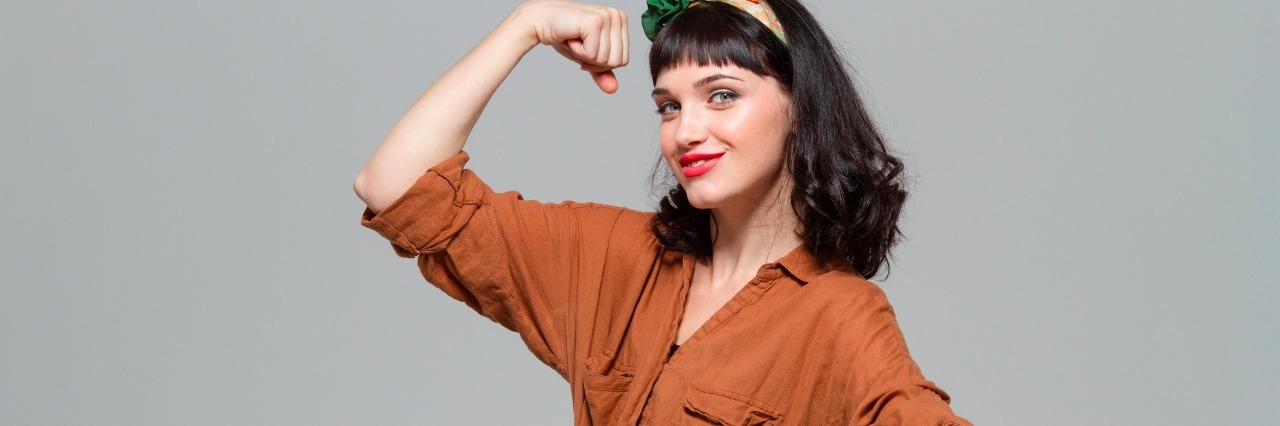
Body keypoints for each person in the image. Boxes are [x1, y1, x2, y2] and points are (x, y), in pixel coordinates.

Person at [354, 0, 971, 424]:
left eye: (721, 96)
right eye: (668, 107)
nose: (686, 132)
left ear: (800, 108)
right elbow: (394, 184)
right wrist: (527, 24)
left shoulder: (839, 315)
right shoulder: (613, 257)